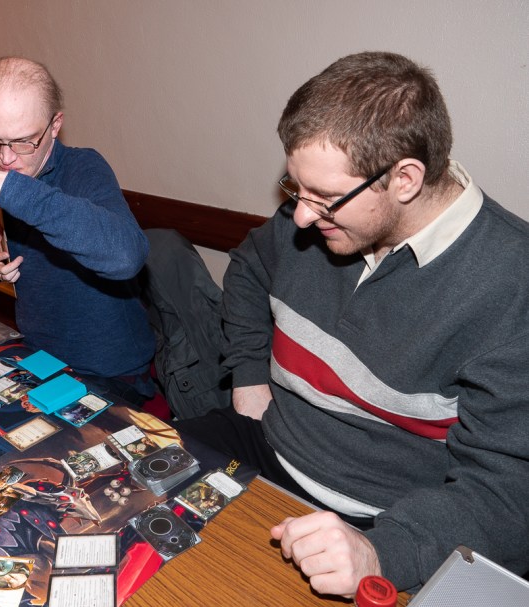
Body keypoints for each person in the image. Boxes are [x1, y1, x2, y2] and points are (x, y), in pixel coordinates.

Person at [177, 51, 529, 597]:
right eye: (296, 189)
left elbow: (508, 493)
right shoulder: (316, 219)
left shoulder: (512, 284)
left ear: (405, 179)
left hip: (386, 518)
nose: (300, 215)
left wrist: (381, 551)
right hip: (266, 447)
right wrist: (248, 374)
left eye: (323, 197)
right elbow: (247, 269)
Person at [0, 57, 155, 403]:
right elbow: (39, 257)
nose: (5, 158)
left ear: (55, 126)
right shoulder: (18, 173)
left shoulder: (85, 167)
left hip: (108, 368)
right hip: (41, 354)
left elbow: (126, 257)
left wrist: (10, 190)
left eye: (22, 141)